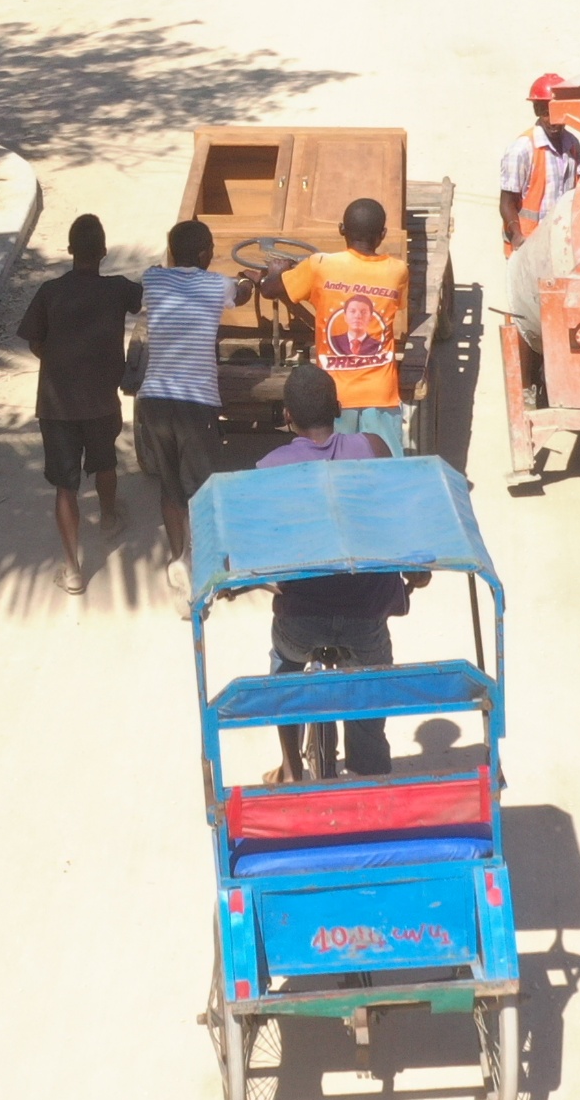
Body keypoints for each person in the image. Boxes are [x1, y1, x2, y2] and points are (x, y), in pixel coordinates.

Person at [254, 363, 404, 779]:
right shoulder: (373, 446)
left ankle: (290, 768)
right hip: (366, 617)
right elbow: (396, 511)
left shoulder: (269, 468)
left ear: (287, 416)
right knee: (371, 680)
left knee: (283, 666)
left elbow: (258, 544)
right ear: (339, 408)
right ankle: (370, 769)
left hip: (301, 623)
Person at [14, 214, 145, 593]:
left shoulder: (50, 292)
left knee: (64, 486)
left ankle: (72, 568)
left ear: (70, 250)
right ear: (103, 251)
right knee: (104, 462)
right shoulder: (118, 289)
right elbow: (147, 297)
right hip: (102, 399)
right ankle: (107, 517)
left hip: (57, 404)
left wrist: (61, 363)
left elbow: (35, 341)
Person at [250, 195, 409, 453]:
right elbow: (397, 304)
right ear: (383, 234)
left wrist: (278, 272)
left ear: (341, 230)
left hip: (335, 397)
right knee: (386, 473)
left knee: (336, 474)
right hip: (381, 394)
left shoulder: (320, 266)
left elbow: (270, 290)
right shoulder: (397, 270)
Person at [135, 220, 235, 605]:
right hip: (196, 403)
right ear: (206, 253)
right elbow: (239, 294)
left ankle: (180, 557)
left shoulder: (153, 281)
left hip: (154, 401)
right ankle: (208, 571)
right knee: (203, 489)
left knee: (171, 486)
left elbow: (161, 272)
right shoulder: (219, 285)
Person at [498, 73, 580, 253]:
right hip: (529, 245)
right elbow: (506, 202)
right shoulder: (522, 149)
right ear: (537, 110)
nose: (553, 121)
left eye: (557, 114)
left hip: (561, 242)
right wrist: (516, 234)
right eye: (546, 113)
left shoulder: (572, 144)